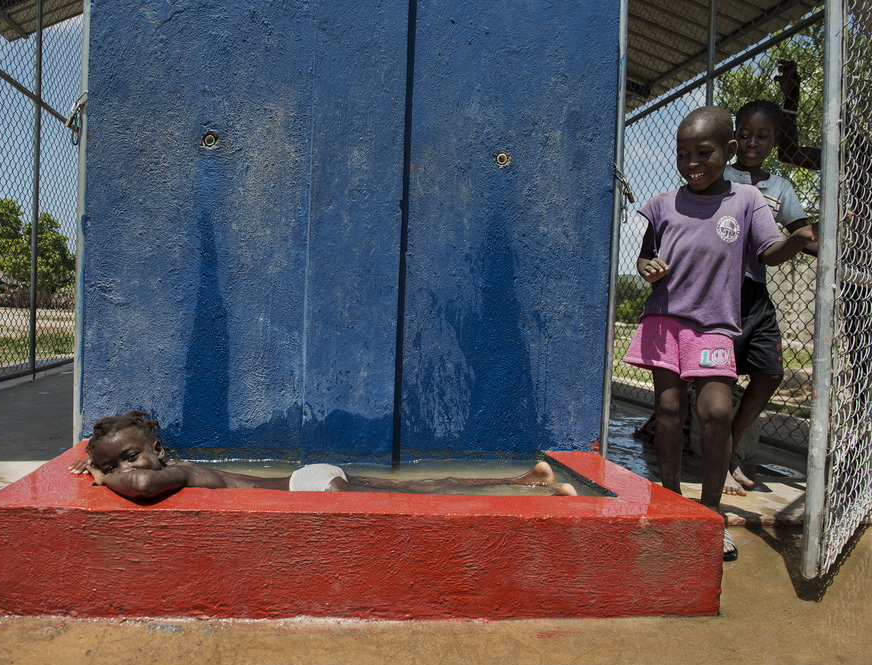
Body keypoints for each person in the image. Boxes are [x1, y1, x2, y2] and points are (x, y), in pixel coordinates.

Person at [623, 106, 816, 561]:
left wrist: (800, 237)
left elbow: (769, 252)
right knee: (668, 411)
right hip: (666, 321)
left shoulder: (746, 200)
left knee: (715, 414)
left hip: (716, 326)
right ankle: (671, 500)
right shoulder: (662, 203)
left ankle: (711, 513)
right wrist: (646, 266)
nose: (692, 162)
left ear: (728, 151)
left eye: (703, 153)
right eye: (683, 153)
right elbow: (645, 255)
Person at [69, 410, 578, 498]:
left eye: (130, 456)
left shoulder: (173, 472)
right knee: (410, 489)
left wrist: (96, 472)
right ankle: (526, 480)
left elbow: (139, 487)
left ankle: (536, 492)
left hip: (309, 486)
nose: (126, 469)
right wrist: (103, 464)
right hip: (309, 476)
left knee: (409, 497)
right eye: (114, 463)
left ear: (157, 450)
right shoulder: (175, 465)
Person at [722, 99, 817, 496]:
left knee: (770, 372)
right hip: (719, 288)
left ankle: (729, 450)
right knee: (719, 378)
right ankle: (720, 463)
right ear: (733, 138)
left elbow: (804, 235)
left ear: (774, 141)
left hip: (754, 289)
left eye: (761, 136)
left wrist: (831, 240)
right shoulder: (720, 174)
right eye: (744, 135)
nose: (751, 142)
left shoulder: (779, 188)